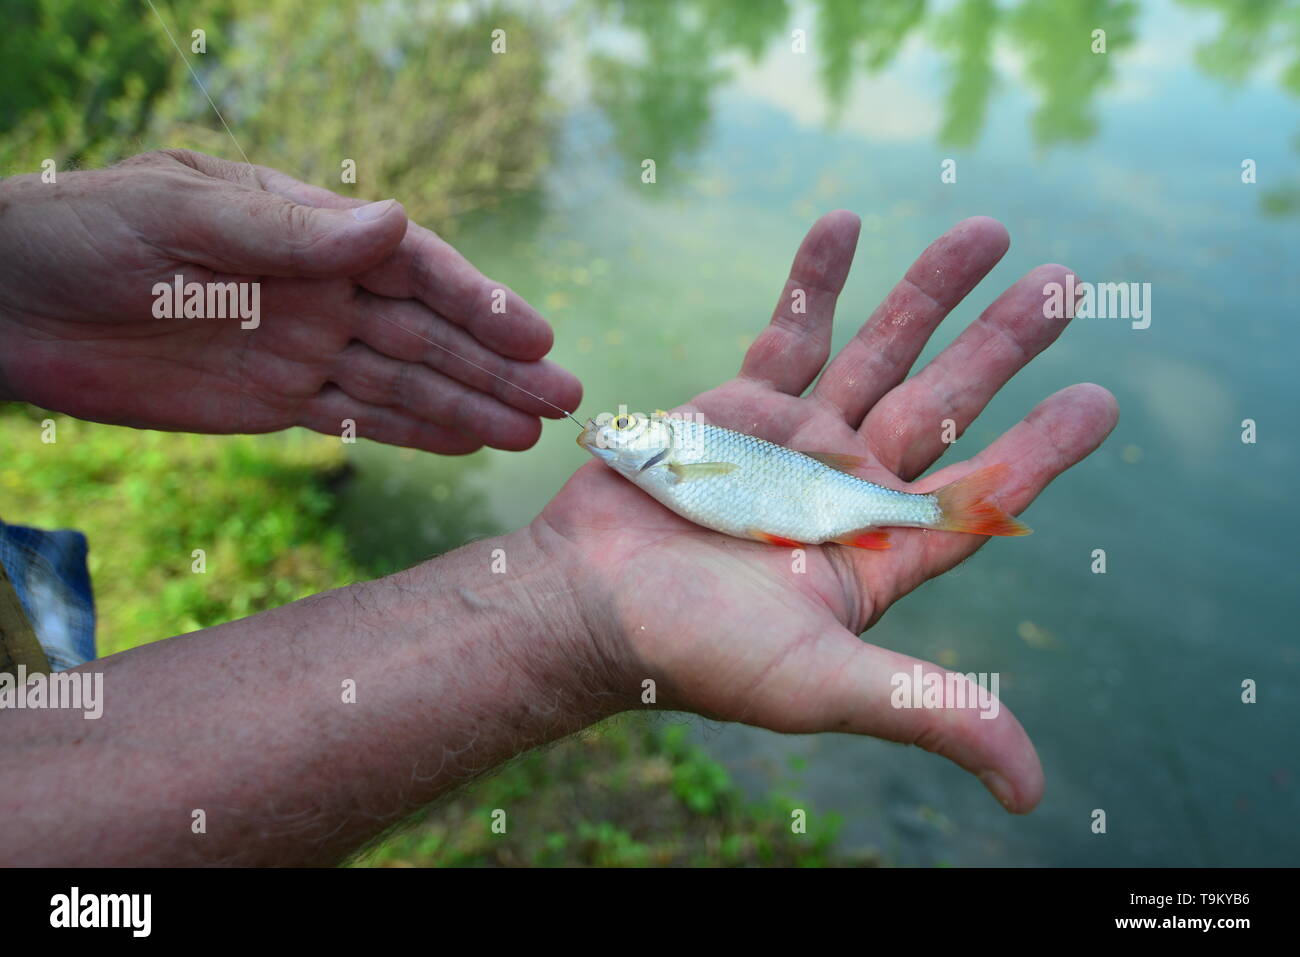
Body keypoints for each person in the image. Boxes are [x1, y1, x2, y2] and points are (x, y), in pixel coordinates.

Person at [0, 149, 1117, 866]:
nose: (611, 434)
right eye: (626, 435)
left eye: (629, 431)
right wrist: (566, 613)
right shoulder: (670, 465)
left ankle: (948, 509)